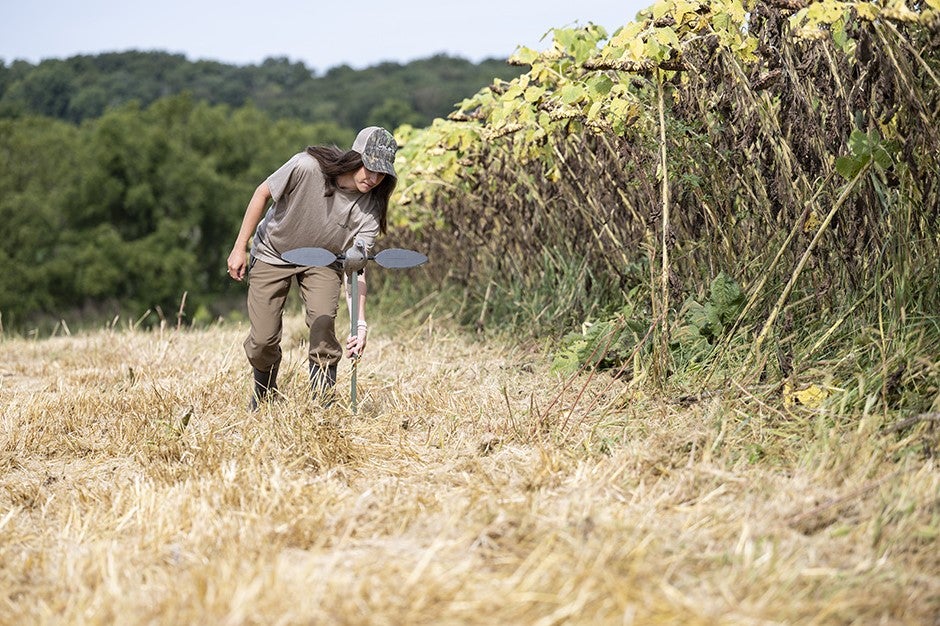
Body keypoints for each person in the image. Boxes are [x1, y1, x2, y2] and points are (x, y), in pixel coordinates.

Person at [226, 126, 398, 409]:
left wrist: (361, 323)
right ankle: (265, 394)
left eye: (382, 173)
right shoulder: (306, 167)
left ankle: (323, 403)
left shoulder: (370, 208)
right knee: (262, 340)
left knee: (323, 321)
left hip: (324, 261)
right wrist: (239, 247)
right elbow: (261, 193)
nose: (373, 178)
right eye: (369, 167)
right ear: (356, 157)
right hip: (272, 252)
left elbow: (357, 267)